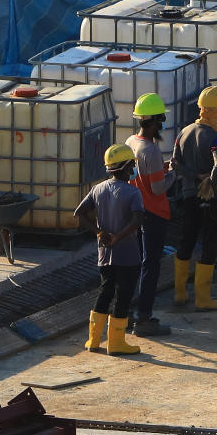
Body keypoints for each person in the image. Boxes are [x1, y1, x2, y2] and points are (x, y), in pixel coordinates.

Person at [78, 144, 146, 356]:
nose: (134, 169)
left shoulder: (98, 188)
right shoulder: (133, 193)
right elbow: (138, 219)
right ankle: (116, 342)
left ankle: (93, 340)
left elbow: (79, 213)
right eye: (132, 165)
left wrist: (99, 232)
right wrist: (118, 236)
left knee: (105, 292)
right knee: (123, 296)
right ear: (126, 167)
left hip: (105, 255)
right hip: (127, 255)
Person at [172, 86, 217, 311]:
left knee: (186, 240)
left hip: (188, 197)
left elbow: (175, 163)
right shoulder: (216, 138)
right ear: (214, 112)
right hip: (211, 199)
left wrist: (194, 177)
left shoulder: (183, 133)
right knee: (209, 243)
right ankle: (203, 298)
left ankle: (179, 293)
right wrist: (211, 184)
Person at [125, 93, 173, 337]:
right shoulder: (152, 150)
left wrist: (161, 170)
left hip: (136, 213)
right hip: (154, 213)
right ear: (154, 121)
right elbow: (157, 188)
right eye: (161, 120)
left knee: (136, 263)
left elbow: (143, 177)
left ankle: (125, 313)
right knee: (150, 266)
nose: (162, 125)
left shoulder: (131, 142)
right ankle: (144, 318)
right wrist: (175, 174)